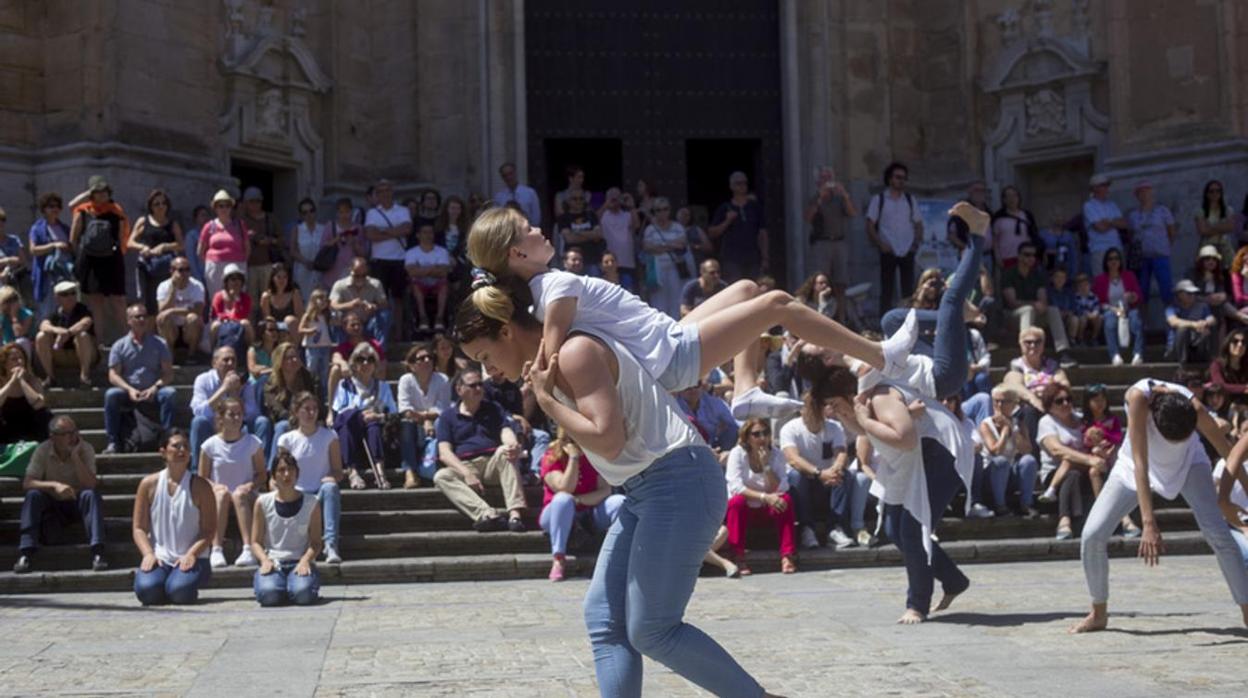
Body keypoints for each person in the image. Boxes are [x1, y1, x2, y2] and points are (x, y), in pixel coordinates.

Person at [455, 281, 775, 698]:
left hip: (678, 481)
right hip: (649, 488)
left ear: (506, 331)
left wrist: (547, 402)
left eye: (484, 357)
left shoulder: (574, 353)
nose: (487, 371)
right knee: (604, 618)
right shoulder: (557, 359)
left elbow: (609, 440)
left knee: (653, 630)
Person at [465, 206, 922, 424]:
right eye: (529, 229)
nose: (540, 229)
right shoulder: (556, 285)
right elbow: (550, 347)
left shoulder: (543, 287)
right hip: (668, 355)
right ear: (516, 251)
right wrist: (534, 382)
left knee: (745, 289)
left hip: (667, 338)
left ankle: (743, 391)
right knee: (776, 303)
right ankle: (882, 356)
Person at [1071, 380, 1248, 633]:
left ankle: (1247, 612)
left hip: (1189, 463)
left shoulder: (1194, 407)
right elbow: (1142, 466)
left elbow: (1227, 451)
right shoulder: (1137, 400)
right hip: (1133, 466)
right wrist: (1148, 523)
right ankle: (1098, 612)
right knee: (1091, 535)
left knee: (1218, 533)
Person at [432, 369, 527, 531]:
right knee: (441, 476)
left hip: (492, 464)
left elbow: (505, 430)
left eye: (480, 385)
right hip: (466, 466)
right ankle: (487, 514)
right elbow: (445, 453)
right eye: (472, 385)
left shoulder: (493, 408)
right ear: (459, 389)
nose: (478, 389)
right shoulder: (447, 416)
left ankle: (515, 515)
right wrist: (466, 473)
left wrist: (512, 444)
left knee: (506, 451)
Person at [132, 429, 216, 606]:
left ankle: (178, 584)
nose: (182, 450)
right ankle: (163, 583)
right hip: (161, 557)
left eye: (186, 446)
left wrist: (191, 554)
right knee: (146, 591)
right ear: (162, 451)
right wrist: (148, 554)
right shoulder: (148, 484)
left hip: (193, 557)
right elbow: (139, 528)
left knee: (179, 592)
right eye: (176, 446)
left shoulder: (201, 486)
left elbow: (209, 530)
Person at [13, 416, 106, 574]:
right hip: (52, 505)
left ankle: (98, 552)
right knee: (33, 495)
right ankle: (26, 553)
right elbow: (28, 483)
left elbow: (90, 484)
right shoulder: (43, 449)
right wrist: (54, 485)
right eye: (67, 433)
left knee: (91, 495)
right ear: (53, 437)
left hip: (77, 502)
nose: (73, 437)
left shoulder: (86, 449)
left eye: (74, 432)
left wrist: (75, 457)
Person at [779, 391, 867, 549]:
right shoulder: (789, 429)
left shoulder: (834, 427)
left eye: (818, 406)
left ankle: (835, 528)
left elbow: (841, 452)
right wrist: (819, 473)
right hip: (805, 481)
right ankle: (806, 529)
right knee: (796, 476)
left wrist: (836, 468)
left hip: (827, 481)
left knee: (842, 474)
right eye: (810, 406)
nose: (814, 410)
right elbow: (793, 459)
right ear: (801, 409)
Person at [539, 428, 625, 582]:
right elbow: (565, 488)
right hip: (556, 515)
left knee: (619, 501)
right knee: (563, 499)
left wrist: (578, 501)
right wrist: (573, 458)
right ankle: (558, 558)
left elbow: (605, 490)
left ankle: (617, 555)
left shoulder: (594, 456)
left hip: (588, 512)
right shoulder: (551, 456)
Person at [275, 391, 344, 564]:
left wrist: (331, 477)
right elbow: (280, 471)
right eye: (306, 409)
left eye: (314, 409)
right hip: (297, 494)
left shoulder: (330, 436)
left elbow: (338, 470)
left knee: (331, 488)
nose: (311, 413)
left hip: (319, 493)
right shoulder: (286, 439)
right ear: (296, 412)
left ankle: (330, 544)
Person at [723, 418, 797, 575]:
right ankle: (738, 556)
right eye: (756, 434)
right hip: (746, 507)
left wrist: (766, 466)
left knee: (786, 500)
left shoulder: (776, 454)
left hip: (767, 508)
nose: (762, 438)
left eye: (766, 433)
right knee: (736, 502)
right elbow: (736, 486)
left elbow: (781, 486)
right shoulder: (737, 454)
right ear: (747, 437)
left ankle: (787, 555)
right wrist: (765, 497)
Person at [198, 397, 264, 569]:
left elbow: (262, 474)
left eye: (239, 414)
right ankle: (216, 549)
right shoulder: (209, 446)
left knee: (239, 495)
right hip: (219, 495)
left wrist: (250, 485)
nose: (236, 418)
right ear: (221, 417)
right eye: (231, 414)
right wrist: (214, 486)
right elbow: (202, 478)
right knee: (221, 495)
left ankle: (248, 548)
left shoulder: (253, 443)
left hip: (246, 495)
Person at [250, 450, 323, 606]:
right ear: (274, 475)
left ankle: (293, 586)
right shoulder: (262, 502)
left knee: (303, 595)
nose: (286, 475)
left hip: (299, 561)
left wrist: (305, 561)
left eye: (290, 469)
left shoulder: (312, 502)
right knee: (269, 595)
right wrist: (264, 560)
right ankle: (279, 586)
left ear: (297, 473)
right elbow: (255, 542)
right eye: (281, 470)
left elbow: (316, 542)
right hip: (274, 561)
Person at [104, 304, 175, 454]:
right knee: (111, 395)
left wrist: (155, 387)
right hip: (129, 392)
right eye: (137, 317)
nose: (142, 319)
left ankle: (167, 441)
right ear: (129, 320)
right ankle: (113, 442)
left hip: (153, 390)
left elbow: (168, 373)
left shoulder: (159, 343)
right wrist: (129, 389)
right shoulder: (119, 345)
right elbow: (113, 375)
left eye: (144, 316)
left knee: (170, 394)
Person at [188, 345, 271, 472]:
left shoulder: (245, 383)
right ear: (214, 363)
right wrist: (224, 389)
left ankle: (261, 473)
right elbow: (198, 411)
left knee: (262, 422)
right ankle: (196, 473)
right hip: (213, 427)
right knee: (198, 422)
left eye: (233, 360)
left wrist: (235, 394)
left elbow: (253, 413)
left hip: (239, 428)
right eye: (226, 360)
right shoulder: (203, 380)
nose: (230, 363)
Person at [1035, 383, 1100, 539]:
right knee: (1072, 475)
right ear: (1049, 405)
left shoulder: (1081, 419)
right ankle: (1064, 520)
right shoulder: (1046, 422)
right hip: (1056, 472)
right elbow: (1056, 450)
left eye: (1068, 399)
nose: (1066, 404)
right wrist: (1089, 459)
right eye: (1059, 401)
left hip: (1085, 469)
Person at [69, 176, 129, 342]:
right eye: (98, 192)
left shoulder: (116, 211)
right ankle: (100, 342)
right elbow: (73, 239)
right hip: (91, 261)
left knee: (118, 300)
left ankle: (129, 337)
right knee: (96, 302)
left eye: (104, 191)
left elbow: (122, 237)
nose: (102, 195)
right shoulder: (82, 210)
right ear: (92, 194)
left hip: (112, 259)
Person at [331, 343, 396, 490]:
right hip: (351, 427)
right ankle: (352, 472)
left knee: (373, 427)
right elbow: (339, 411)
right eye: (361, 359)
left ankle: (380, 472)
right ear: (354, 363)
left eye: (370, 360)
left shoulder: (383, 386)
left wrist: (376, 415)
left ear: (375, 364)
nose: (366, 363)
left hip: (374, 427)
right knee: (347, 421)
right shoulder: (344, 385)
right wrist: (360, 415)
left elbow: (392, 412)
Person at [1002, 242, 1075, 365]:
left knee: (1052, 310)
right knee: (1028, 310)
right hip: (1012, 317)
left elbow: (1043, 300)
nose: (1031, 258)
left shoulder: (1037, 275)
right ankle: (1026, 354)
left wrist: (1040, 305)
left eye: (1033, 255)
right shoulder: (1009, 274)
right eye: (1027, 254)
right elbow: (1012, 302)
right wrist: (1034, 304)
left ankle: (1063, 352)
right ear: (1019, 256)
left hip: (1033, 315)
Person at [866, 162, 923, 313]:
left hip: (907, 248)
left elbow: (918, 223)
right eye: (898, 177)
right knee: (887, 289)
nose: (901, 181)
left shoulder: (910, 200)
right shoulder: (879, 199)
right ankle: (885, 322)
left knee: (908, 290)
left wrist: (915, 244)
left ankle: (908, 321)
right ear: (890, 179)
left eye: (904, 178)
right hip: (888, 249)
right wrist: (880, 244)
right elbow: (870, 225)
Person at [977, 387, 1039, 517]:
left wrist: (1012, 428)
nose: (999, 405)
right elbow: (996, 451)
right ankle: (1000, 506)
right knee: (1001, 462)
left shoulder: (1020, 424)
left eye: (1004, 401)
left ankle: (1026, 504)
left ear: (1014, 404)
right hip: (991, 475)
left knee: (1029, 461)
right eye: (996, 401)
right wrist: (1005, 431)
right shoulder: (986, 424)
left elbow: (1027, 449)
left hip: (1009, 474)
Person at [804, 167, 857, 318]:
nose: (827, 182)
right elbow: (807, 218)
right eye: (824, 179)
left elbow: (853, 213)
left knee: (841, 283)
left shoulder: (840, 198)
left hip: (839, 243)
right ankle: (820, 317)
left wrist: (845, 195)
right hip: (822, 243)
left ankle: (841, 319)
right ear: (818, 182)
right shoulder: (815, 198)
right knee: (820, 282)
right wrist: (820, 198)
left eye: (829, 178)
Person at [397, 342, 451, 489]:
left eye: (429, 357)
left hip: (437, 423)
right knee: (406, 425)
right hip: (413, 424)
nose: (427, 360)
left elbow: (443, 408)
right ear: (412, 365)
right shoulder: (406, 380)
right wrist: (426, 419)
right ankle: (410, 472)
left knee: (442, 423)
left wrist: (426, 418)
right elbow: (405, 409)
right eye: (421, 358)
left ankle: (439, 468)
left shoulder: (442, 379)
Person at [365, 178, 413, 338]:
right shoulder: (372, 213)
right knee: (379, 300)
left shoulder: (403, 210)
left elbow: (407, 229)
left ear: (392, 192)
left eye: (387, 190)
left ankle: (398, 334)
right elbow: (371, 234)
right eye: (380, 191)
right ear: (376, 195)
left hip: (399, 259)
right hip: (379, 260)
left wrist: (383, 232)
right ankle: (381, 335)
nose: (384, 194)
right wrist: (394, 231)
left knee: (399, 299)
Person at [262, 341, 319, 469]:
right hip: (282, 421)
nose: (294, 360)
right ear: (280, 361)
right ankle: (272, 471)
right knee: (282, 426)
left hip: (306, 420)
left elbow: (315, 400)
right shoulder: (271, 383)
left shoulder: (309, 378)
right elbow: (275, 407)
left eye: (296, 357)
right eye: (289, 358)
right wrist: (292, 418)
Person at [707, 171, 770, 282]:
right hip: (732, 258)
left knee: (753, 287)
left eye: (744, 183)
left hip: (753, 257)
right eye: (738, 183)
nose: (742, 186)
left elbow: (762, 233)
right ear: (732, 186)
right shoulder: (725, 208)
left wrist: (765, 257)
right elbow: (712, 233)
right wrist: (727, 221)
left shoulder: (755, 207)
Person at [130, 189, 185, 315]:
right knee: (147, 302)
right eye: (157, 204)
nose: (161, 206)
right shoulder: (143, 221)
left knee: (165, 300)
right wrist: (142, 248)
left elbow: (181, 245)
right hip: (147, 266)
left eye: (163, 203)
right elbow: (130, 242)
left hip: (166, 268)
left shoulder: (172, 223)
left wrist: (165, 246)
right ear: (151, 206)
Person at [34, 280, 96, 387]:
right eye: (65, 294)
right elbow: (43, 325)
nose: (70, 296)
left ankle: (84, 376)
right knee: (41, 336)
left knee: (82, 335)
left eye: (73, 293)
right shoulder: (54, 313)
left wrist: (67, 333)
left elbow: (86, 322)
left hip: (85, 355)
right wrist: (58, 331)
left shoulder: (83, 309)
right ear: (57, 298)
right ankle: (51, 377)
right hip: (61, 354)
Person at [641, 198, 693, 319]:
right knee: (658, 302)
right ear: (654, 212)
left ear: (670, 211)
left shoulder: (678, 227)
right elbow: (647, 247)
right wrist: (671, 245)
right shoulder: (650, 229)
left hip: (675, 268)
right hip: (657, 269)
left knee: (676, 299)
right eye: (658, 210)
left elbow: (682, 244)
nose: (662, 212)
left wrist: (660, 246)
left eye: (665, 209)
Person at [1127, 181, 1176, 307]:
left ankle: (1171, 319)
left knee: (1166, 289)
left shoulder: (1163, 211)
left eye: (1147, 191)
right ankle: (1143, 322)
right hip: (1141, 258)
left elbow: (1171, 231)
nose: (1144, 194)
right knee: (1141, 291)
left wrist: (1165, 246)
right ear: (1137, 196)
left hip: (1160, 255)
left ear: (1152, 193)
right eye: (1141, 192)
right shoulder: (1133, 215)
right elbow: (1130, 235)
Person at [1093, 248, 1145, 365]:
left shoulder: (1129, 276)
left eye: (1116, 258)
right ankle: (1115, 355)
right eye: (1110, 259)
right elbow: (1097, 302)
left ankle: (1138, 354)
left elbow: (1139, 296)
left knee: (1136, 317)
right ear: (1106, 262)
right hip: (1110, 310)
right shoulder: (1100, 280)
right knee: (1109, 319)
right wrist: (1114, 309)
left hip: (1128, 309)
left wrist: (1133, 296)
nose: (1114, 261)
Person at [27, 192, 73, 320]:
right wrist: (54, 246)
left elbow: (71, 248)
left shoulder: (64, 228)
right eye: (51, 206)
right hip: (46, 276)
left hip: (64, 273)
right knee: (47, 312)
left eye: (57, 206)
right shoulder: (37, 228)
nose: (55, 209)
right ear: (44, 209)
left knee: (65, 308)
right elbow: (33, 250)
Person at [197, 189, 249, 303]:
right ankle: (217, 320)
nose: (224, 209)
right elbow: (200, 251)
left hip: (237, 264)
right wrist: (211, 262)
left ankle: (236, 320)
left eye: (227, 205)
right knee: (217, 298)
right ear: (215, 208)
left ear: (231, 208)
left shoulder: (240, 225)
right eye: (220, 206)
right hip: (215, 266)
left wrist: (242, 261)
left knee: (237, 298)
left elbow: (247, 247)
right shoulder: (208, 226)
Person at [239, 187, 284, 311]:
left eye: (257, 201)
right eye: (251, 201)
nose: (255, 204)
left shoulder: (270, 218)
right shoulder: (241, 219)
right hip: (249, 265)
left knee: (269, 299)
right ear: (245, 203)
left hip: (268, 265)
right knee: (251, 301)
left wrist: (270, 241)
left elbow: (282, 240)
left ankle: (269, 327)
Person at [329, 257, 390, 345]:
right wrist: (349, 305)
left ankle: (380, 350)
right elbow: (332, 305)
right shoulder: (340, 285)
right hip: (346, 326)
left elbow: (385, 304)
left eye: (363, 276)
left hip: (367, 324)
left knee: (385, 315)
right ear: (350, 270)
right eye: (357, 276)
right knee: (335, 315)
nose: (360, 279)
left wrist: (373, 307)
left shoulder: (375, 284)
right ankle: (341, 348)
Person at [155, 256, 206, 358]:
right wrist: (173, 289)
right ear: (172, 271)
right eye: (181, 270)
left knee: (193, 318)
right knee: (163, 318)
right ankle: (170, 355)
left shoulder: (197, 286)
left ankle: (192, 355)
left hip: (189, 330)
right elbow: (162, 310)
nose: (185, 273)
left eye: (187, 270)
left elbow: (198, 310)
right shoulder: (163, 286)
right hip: (172, 330)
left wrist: (173, 311)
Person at [405, 222, 451, 331]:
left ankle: (439, 318)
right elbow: (411, 273)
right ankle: (422, 317)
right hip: (419, 284)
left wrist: (420, 269)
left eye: (430, 232)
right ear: (418, 235)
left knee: (444, 285)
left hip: (437, 284)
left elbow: (444, 272)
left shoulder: (442, 251)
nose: (428, 235)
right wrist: (434, 268)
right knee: (415, 285)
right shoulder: (411, 252)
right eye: (424, 232)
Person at [1192, 244, 1248, 329]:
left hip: (1216, 305)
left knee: (1221, 311)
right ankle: (1241, 317)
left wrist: (1222, 296)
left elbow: (1223, 294)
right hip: (1198, 305)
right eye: (1207, 259)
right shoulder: (1192, 274)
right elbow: (1190, 295)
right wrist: (1206, 295)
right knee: (1222, 307)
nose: (1211, 261)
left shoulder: (1218, 276)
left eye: (1214, 259)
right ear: (1201, 261)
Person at [1082, 174, 1127, 277]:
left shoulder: (1112, 204)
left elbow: (1124, 224)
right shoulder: (1089, 206)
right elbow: (1100, 228)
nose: (1107, 188)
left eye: (1107, 185)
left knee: (1120, 281)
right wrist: (1114, 222)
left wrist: (1108, 222)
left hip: (1116, 247)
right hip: (1099, 249)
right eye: (1104, 185)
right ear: (1095, 188)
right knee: (1102, 283)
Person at [1166, 279, 1216, 365]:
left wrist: (1205, 323)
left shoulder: (1202, 306)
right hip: (1177, 349)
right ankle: (1182, 364)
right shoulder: (1172, 307)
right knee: (1183, 330)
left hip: (1196, 346)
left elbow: (1212, 319)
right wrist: (1194, 324)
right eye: (1189, 293)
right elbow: (1173, 321)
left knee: (1206, 331)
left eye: (1194, 293)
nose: (1192, 296)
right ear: (1179, 294)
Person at [598, 187, 639, 290]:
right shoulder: (604, 215)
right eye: (611, 198)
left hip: (627, 262)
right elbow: (594, 219)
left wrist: (631, 205)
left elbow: (636, 225)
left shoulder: (627, 215)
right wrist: (606, 204)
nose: (614, 200)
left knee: (628, 291)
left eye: (616, 198)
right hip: (610, 263)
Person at [990, 185, 1037, 269]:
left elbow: (1032, 235)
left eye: (1014, 195)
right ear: (1004, 200)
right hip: (1007, 257)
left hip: (1025, 256)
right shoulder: (999, 217)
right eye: (1008, 196)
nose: (1012, 199)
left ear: (1019, 197)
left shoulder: (1026, 215)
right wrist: (997, 257)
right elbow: (995, 240)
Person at [558, 192, 604, 276]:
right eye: (575, 199)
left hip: (592, 260)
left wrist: (576, 233)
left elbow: (598, 234)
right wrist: (590, 235)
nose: (578, 201)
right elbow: (569, 239)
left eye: (581, 199)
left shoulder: (591, 215)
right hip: (573, 262)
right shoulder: (563, 218)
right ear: (568, 201)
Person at [325, 197, 367, 288]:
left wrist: (354, 244)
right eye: (341, 212)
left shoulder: (358, 228)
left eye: (347, 212)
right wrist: (336, 239)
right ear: (337, 213)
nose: (344, 215)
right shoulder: (330, 226)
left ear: (351, 212)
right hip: (333, 270)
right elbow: (323, 247)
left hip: (352, 270)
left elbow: (364, 253)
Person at [209, 263, 254, 348]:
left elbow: (242, 316)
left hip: (239, 324)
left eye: (239, 279)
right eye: (233, 279)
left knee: (246, 323)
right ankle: (213, 352)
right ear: (226, 281)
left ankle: (250, 351)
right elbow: (218, 315)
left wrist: (236, 300)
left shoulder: (246, 298)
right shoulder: (218, 296)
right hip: (222, 324)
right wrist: (229, 319)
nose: (236, 282)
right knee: (214, 326)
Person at [298, 288, 334, 393]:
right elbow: (300, 329)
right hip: (312, 346)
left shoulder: (326, 315)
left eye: (325, 299)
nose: (323, 301)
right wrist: (309, 331)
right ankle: (309, 389)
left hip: (325, 345)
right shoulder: (308, 316)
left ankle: (324, 392)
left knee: (324, 371)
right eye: (320, 299)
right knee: (311, 369)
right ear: (313, 300)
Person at [288, 198, 326, 295]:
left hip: (319, 270)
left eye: (311, 211)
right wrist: (305, 262)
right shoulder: (297, 229)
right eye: (305, 212)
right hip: (302, 270)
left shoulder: (323, 229)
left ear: (315, 211)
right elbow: (292, 251)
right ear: (301, 215)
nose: (309, 214)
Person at [1196, 179, 1237, 266]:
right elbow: (1203, 230)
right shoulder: (1200, 211)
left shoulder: (1228, 210)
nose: (1215, 193)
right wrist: (1222, 227)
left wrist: (1211, 227)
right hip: (1208, 248)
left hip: (1225, 247)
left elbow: (1230, 227)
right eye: (1212, 191)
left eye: (1218, 191)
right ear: (1207, 194)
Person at [492, 161, 542, 226]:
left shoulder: (530, 193)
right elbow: (497, 219)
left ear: (515, 173)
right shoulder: (499, 197)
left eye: (510, 174)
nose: (508, 177)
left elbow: (536, 218)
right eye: (505, 175)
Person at [259, 262, 302, 333]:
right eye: (279, 277)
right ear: (273, 278)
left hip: (293, 327)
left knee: (290, 320)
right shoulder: (266, 296)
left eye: (285, 277)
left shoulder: (294, 294)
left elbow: (300, 315)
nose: (282, 280)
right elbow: (267, 317)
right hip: (274, 327)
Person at [1210, 328, 1248, 401]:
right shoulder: (1217, 365)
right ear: (1228, 344)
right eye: (1235, 341)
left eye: (1243, 342)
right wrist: (1244, 388)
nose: (1240, 345)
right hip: (1224, 406)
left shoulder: (1246, 365)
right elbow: (1220, 386)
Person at [247, 317, 280, 382]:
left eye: (277, 330)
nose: (275, 332)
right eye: (271, 330)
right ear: (262, 333)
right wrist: (272, 370)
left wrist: (264, 369)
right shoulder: (253, 350)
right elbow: (253, 369)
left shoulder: (279, 350)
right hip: (256, 384)